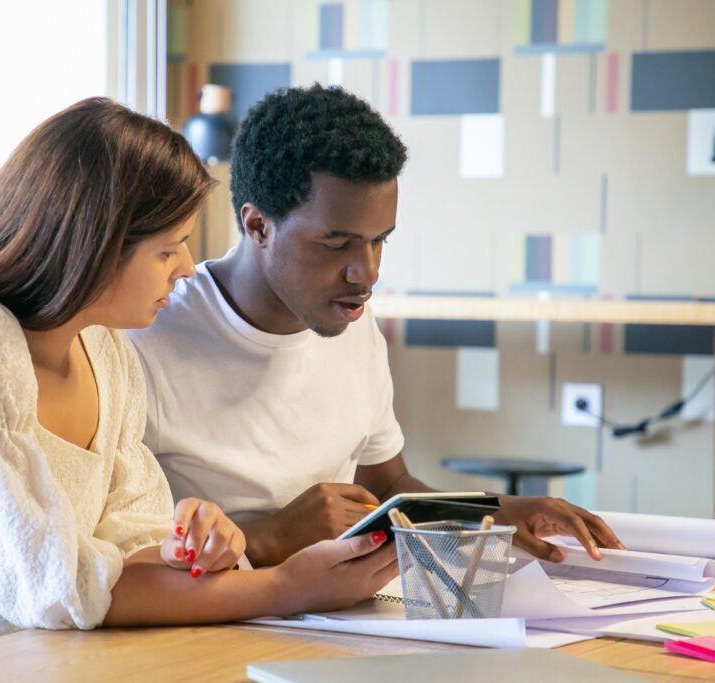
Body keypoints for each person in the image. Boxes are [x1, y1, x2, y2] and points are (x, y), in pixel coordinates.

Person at [0, 98, 397, 682]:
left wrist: (200, 546)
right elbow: (49, 583)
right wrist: (288, 586)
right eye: (168, 248)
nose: (186, 268)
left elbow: (135, 550)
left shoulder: (105, 353)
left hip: (23, 664)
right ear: (95, 245)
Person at [129, 84, 624, 568]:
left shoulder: (351, 322)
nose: (368, 273)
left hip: (330, 619)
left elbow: (388, 487)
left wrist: (495, 512)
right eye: (336, 243)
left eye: (379, 241)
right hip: (204, 630)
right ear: (258, 226)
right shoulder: (145, 336)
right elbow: (112, 548)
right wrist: (273, 536)